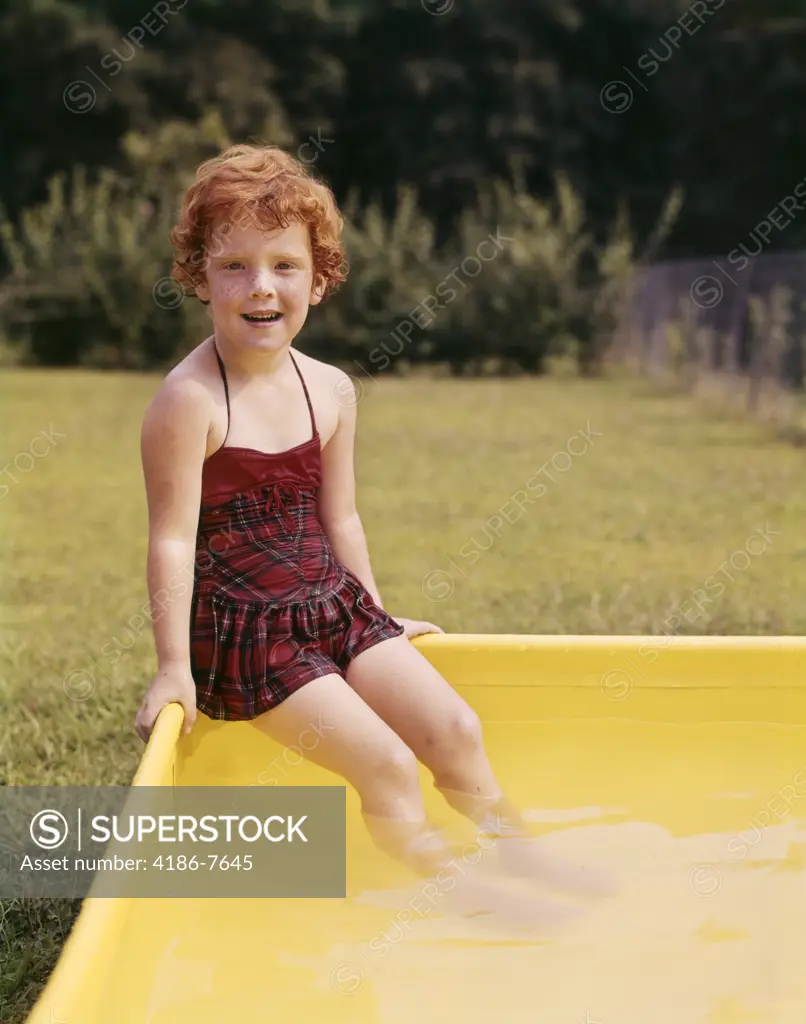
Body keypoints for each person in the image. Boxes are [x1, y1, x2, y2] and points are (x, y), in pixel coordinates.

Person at [133, 144, 606, 906]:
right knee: (385, 764)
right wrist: (171, 666)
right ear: (198, 276)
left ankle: (524, 860)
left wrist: (376, 621)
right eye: (234, 266)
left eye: (285, 265)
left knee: (454, 727)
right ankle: (460, 897)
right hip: (247, 633)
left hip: (332, 605)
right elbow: (170, 538)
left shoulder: (331, 391)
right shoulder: (188, 402)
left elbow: (339, 515)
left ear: (318, 281)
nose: (261, 287)